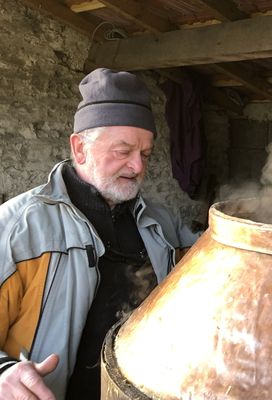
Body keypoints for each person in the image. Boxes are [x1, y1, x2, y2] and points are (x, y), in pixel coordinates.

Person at [0, 68, 199, 399]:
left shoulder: (161, 221)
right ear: (80, 148)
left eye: (145, 154)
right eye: (123, 152)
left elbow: (206, 278)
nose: (138, 167)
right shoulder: (17, 228)